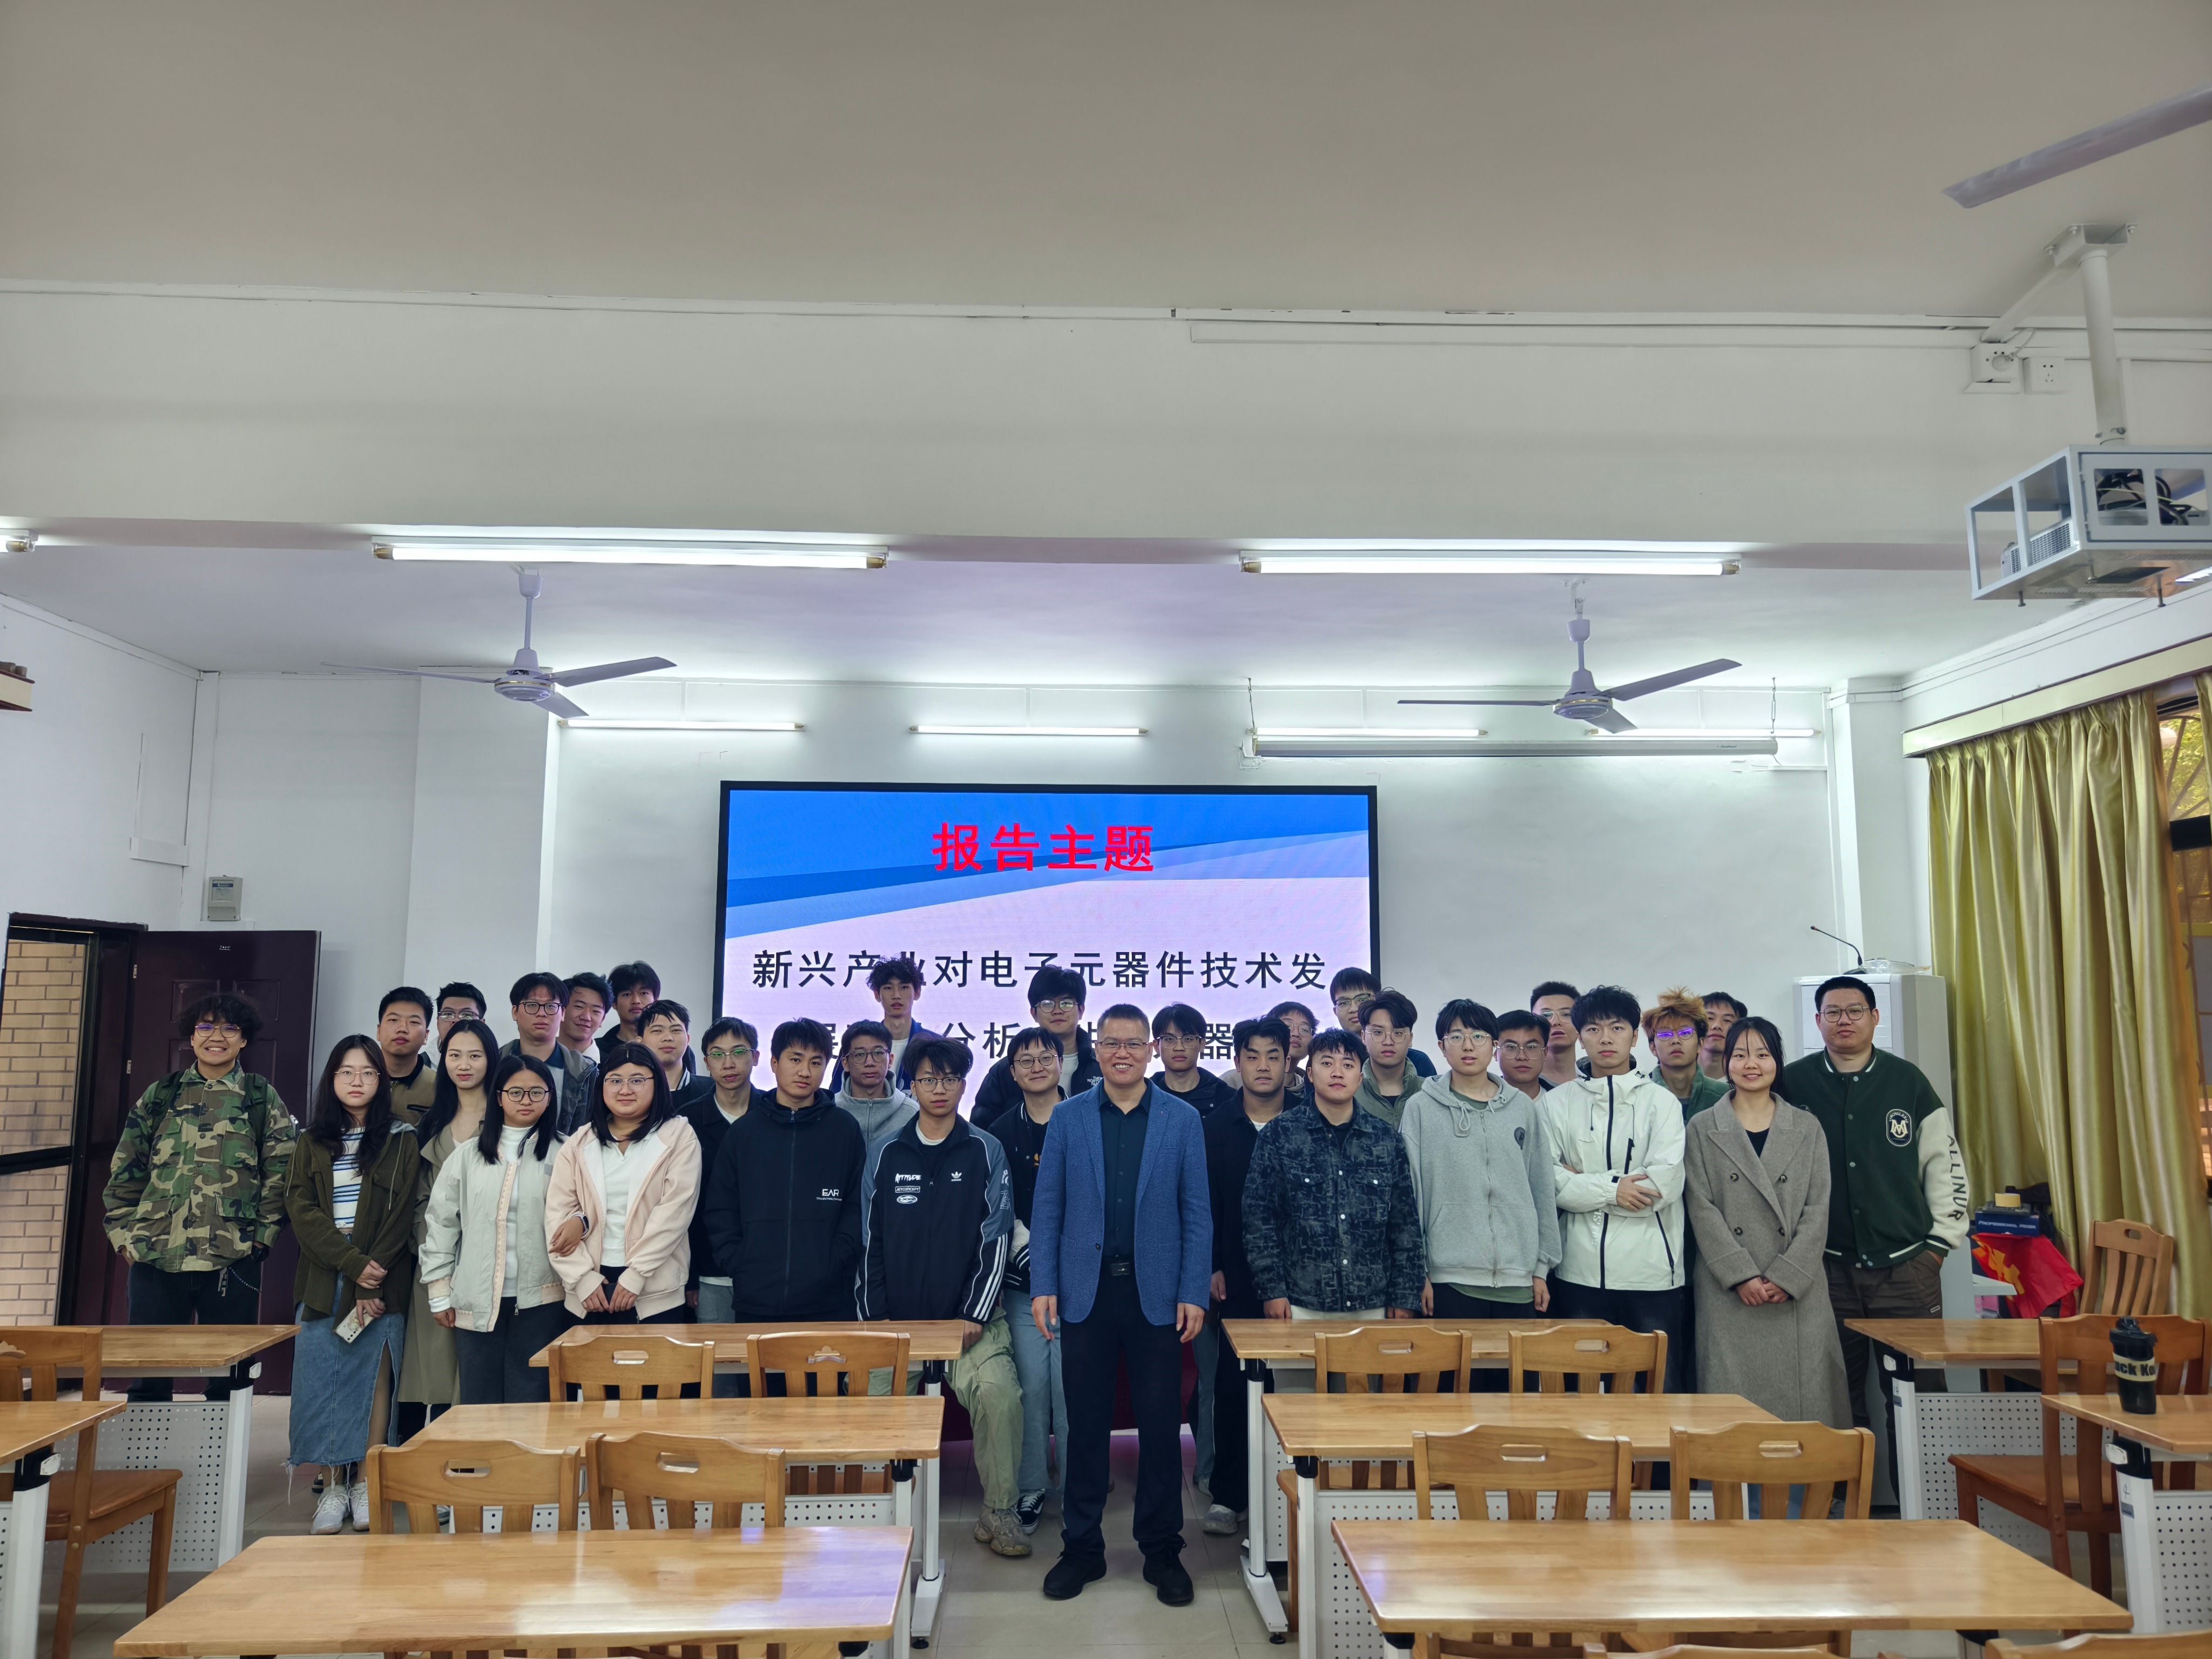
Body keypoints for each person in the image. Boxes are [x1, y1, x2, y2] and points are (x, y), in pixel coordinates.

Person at [1029, 1003, 1209, 1606]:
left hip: (1157, 1294)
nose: (1123, 1053)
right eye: (1111, 1043)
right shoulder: (1068, 1117)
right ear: (1097, 1049)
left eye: (1134, 1043)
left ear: (1151, 1050)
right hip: (1087, 1291)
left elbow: (1196, 1212)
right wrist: (1045, 1283)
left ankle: (1162, 1550)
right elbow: (1048, 1208)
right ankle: (1081, 1549)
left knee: (1160, 1428)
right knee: (1084, 1428)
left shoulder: (1182, 1120)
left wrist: (1192, 1290)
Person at [1780, 975, 1968, 1445]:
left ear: (1875, 1017)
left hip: (1907, 1270)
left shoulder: (1908, 1082)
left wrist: (1937, 1248)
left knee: (1921, 1400)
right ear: (1818, 1021)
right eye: (1833, 1012)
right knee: (1833, 1402)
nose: (1844, 1020)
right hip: (1825, 1272)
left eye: (1855, 1011)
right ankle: (1844, 1491)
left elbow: (1944, 1167)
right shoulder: (1793, 1083)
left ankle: (1925, 1493)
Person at [859, 1038, 1029, 1558]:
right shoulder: (885, 1152)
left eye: (950, 1079)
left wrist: (973, 1314)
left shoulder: (986, 1149)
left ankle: (1000, 1510)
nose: (940, 1089)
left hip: (971, 1324)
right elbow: (868, 1240)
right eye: (929, 1079)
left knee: (1000, 1396)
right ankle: (876, 1513)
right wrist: (876, 1318)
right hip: (897, 1325)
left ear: (963, 1085)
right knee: (870, 1409)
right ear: (911, 1084)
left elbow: (996, 1235)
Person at [104, 992, 296, 1403]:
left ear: (244, 1039)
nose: (216, 1037)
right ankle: (148, 1446)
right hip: (155, 1253)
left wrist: (261, 1240)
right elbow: (126, 1169)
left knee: (229, 1377)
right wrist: (124, 1237)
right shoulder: (162, 1094)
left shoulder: (259, 1097)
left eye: (229, 1028)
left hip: (232, 1257)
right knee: (149, 1374)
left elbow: (282, 1172)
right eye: (206, 1026)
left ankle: (220, 1448)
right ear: (192, 1037)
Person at [285, 1036, 424, 1534]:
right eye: (346, 1072)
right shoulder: (310, 1141)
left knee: (373, 1383)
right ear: (332, 1080)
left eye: (367, 1072)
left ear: (381, 1081)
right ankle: (333, 1486)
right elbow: (301, 1208)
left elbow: (403, 1211)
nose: (357, 1081)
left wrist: (370, 1274)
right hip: (325, 1277)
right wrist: (350, 1262)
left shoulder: (402, 1139)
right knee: (322, 1381)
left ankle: (367, 1482)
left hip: (381, 1280)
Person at [1683, 1016, 1850, 1431]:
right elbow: (1701, 1207)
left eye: (1762, 1054)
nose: (1751, 1064)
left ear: (1777, 1061)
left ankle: (1810, 1477)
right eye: (1740, 1055)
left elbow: (1818, 1207)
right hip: (1729, 1289)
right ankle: (1734, 1478)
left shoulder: (1806, 1127)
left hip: (1796, 1287)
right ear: (1726, 1062)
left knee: (1805, 1407)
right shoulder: (1703, 1127)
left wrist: (1789, 1274)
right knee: (1732, 1407)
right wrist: (1740, 1274)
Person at [1542, 986, 1688, 1388]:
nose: (1605, 1038)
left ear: (1634, 1037)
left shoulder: (1661, 1103)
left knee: (1656, 1393)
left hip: (1652, 1275)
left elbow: (1663, 1185)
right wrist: (1615, 1190)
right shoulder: (1556, 1104)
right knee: (1579, 1394)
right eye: (1593, 1029)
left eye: (1617, 1028)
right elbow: (1549, 1183)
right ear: (1580, 1037)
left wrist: (1582, 1183)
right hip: (1578, 1273)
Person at [420, 1053, 572, 1404]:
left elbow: (586, 1211)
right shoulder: (468, 1155)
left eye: (537, 1092)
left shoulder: (566, 1152)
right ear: (499, 1097)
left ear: (550, 1097)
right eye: (516, 1092)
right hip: (476, 1298)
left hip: (545, 1300)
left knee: (534, 1403)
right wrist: (439, 1292)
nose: (526, 1100)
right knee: (480, 1403)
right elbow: (441, 1225)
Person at [1244, 1026, 1424, 1323]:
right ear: (1310, 1074)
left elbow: (1404, 1223)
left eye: (1348, 1065)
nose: (1337, 1073)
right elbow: (1259, 1220)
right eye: (1327, 1063)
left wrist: (1405, 1294)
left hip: (1373, 1302)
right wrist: (1271, 1290)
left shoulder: (1385, 1139)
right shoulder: (1279, 1135)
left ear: (1360, 1077)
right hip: (1299, 1303)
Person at [1401, 1002, 1560, 1338]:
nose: (1468, 1046)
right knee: (1455, 1373)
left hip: (1519, 1280)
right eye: (1456, 1037)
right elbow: (1410, 1195)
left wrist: (1541, 1269)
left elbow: (1542, 1188)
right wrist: (1419, 1272)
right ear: (1442, 1047)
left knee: (1516, 1373)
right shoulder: (1420, 1108)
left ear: (1494, 1045)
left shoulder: (1521, 1108)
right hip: (1448, 1280)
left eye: (1478, 1036)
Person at [702, 1019, 865, 1323]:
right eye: (795, 1060)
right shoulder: (744, 1132)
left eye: (816, 1062)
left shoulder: (844, 1130)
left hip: (829, 1300)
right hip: (756, 1300)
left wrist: (837, 1259)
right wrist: (739, 1262)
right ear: (774, 1063)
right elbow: (720, 1208)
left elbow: (858, 1206)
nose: (805, 1071)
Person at [1198, 1016, 1291, 1538]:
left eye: (1273, 1055)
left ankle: (1288, 1492)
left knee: (1291, 1389)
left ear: (1288, 1062)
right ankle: (1229, 1494)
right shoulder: (1214, 1126)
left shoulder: (1306, 1120)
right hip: (1232, 1277)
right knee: (1233, 1388)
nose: (1262, 1066)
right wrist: (1211, 1264)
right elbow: (1202, 1205)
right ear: (1237, 1062)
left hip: (1298, 1282)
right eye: (1252, 1056)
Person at [547, 1044, 703, 1327]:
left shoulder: (678, 1136)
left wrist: (637, 1274)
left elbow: (674, 1213)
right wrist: (581, 1278)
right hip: (590, 1288)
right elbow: (557, 1215)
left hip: (655, 1289)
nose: (625, 1090)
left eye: (637, 1080)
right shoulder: (579, 1142)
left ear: (657, 1083)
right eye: (615, 1080)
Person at [395, 1017, 497, 1430]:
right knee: (435, 1363)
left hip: (491, 1260)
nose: (464, 1065)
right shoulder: (432, 1123)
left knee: (477, 1369)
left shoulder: (507, 1119)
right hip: (435, 1258)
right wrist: (429, 1245)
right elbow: (418, 1196)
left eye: (475, 1055)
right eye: (455, 1055)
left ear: (491, 1060)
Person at [990, 1027, 1071, 1535]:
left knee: (1073, 1390)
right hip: (1024, 1283)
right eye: (1026, 1060)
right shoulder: (1000, 1131)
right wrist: (1033, 1256)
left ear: (1061, 1063)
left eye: (1046, 1057)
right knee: (1033, 1388)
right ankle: (1032, 1486)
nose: (1037, 1067)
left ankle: (1081, 1485)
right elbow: (1000, 1208)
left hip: (1081, 1283)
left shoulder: (1086, 1118)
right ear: (1013, 1072)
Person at [684, 1017, 758, 1337]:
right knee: (718, 1366)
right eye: (718, 1054)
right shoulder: (686, 1121)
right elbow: (681, 1205)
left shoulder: (774, 1113)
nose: (728, 1063)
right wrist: (689, 1276)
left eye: (739, 1052)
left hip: (767, 1272)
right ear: (706, 1062)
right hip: (709, 1273)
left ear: (756, 1058)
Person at [972, 966, 1102, 1129]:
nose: (1057, 1011)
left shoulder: (1101, 1065)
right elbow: (982, 1132)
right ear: (1034, 1013)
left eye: (1066, 1003)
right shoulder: (1005, 1070)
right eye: (1047, 1004)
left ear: (1081, 1011)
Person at [503, 972, 598, 1134]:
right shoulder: (494, 1063)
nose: (542, 1013)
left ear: (563, 1013)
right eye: (532, 1005)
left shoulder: (586, 1072)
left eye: (551, 1006)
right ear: (515, 1012)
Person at [832, 955, 939, 1089]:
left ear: (917, 993)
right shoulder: (856, 1044)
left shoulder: (936, 1045)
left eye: (904, 987)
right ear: (877, 995)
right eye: (888, 988)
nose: (896, 995)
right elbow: (837, 1093)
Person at [1330, 968, 1437, 1076]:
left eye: (1362, 1000)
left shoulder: (1419, 1063)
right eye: (1343, 1003)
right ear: (1335, 1011)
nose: (1354, 1009)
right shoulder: (1330, 1064)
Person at [834, 1019, 920, 1151]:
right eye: (860, 1054)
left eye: (878, 1053)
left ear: (890, 1060)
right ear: (846, 1064)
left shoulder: (912, 1112)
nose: (870, 1063)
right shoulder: (830, 1111)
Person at [1644, 987, 1729, 1117]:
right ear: (1653, 1048)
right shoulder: (1638, 1096)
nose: (1675, 1041)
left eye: (1685, 1033)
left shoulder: (1725, 1096)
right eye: (1665, 1034)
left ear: (1700, 1044)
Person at [1150, 1003, 1236, 1117]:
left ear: (1202, 1044)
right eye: (1170, 1039)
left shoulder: (1228, 1099)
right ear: (1157, 1046)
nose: (1179, 1048)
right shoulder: (1145, 1096)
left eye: (1188, 1039)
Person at [1353, 989, 1423, 1129]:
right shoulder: (1349, 1094)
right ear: (1364, 1037)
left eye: (1398, 1033)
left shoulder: (1429, 1093)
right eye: (1378, 1032)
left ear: (1410, 1039)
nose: (1388, 1041)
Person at [374, 987, 437, 1120]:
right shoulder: (357, 1079)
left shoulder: (439, 1087)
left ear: (426, 1036)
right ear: (378, 1031)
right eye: (393, 1020)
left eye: (414, 1022)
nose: (402, 1029)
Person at [637, 999, 699, 1099]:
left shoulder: (713, 1090)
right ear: (640, 1042)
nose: (668, 1038)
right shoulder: (631, 1093)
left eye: (676, 1030)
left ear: (688, 1039)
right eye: (657, 1031)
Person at [601, 961, 664, 1058]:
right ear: (613, 1003)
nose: (636, 1001)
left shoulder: (670, 1046)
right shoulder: (598, 1051)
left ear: (656, 1000)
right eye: (627, 994)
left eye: (644, 993)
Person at [1530, 981, 1582, 1089]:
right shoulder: (1517, 1084)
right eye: (1546, 1015)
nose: (1556, 1022)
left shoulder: (1597, 1080)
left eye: (1566, 1014)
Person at [1494, 1010, 1550, 1102]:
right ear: (1495, 1053)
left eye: (1531, 1047)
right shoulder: (1478, 1101)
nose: (1522, 1057)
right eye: (1511, 1047)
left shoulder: (1565, 1101)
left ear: (1545, 1053)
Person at [1269, 999, 1318, 1099]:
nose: (1296, 1034)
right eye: (1288, 1026)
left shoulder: (1314, 1090)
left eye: (1304, 1030)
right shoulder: (1238, 1080)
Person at [561, 972, 612, 1067]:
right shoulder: (537, 1057)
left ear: (603, 1019)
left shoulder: (612, 1067)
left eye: (596, 1011)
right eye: (579, 1007)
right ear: (561, 1010)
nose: (586, 1017)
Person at [1700, 992, 1745, 1082]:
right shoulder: (1675, 1079)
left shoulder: (1746, 1084)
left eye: (1727, 1020)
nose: (1717, 1026)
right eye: (1709, 1018)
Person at [435, 982, 488, 1046]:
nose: (456, 1021)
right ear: (438, 1023)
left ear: (482, 1024)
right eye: (448, 1015)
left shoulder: (494, 1052)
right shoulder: (426, 1052)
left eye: (467, 1015)